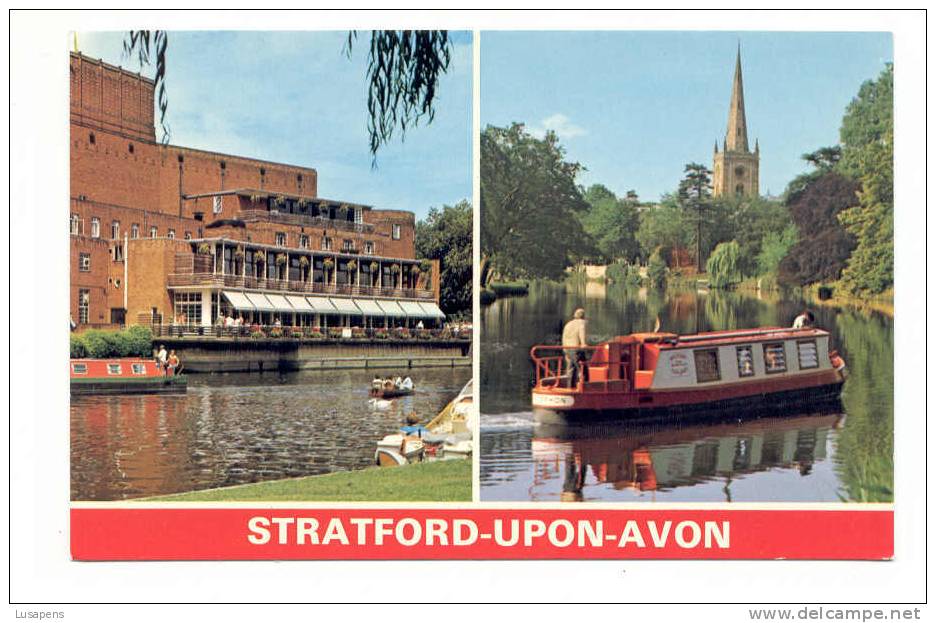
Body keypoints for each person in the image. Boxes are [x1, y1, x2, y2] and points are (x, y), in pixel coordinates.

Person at [562, 308, 588, 387]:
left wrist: (565, 350)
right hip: (576, 349)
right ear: (583, 316)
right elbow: (581, 331)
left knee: (571, 369)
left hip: (568, 348)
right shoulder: (581, 322)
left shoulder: (568, 324)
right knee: (583, 369)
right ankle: (585, 388)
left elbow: (564, 337)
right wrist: (583, 343)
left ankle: (570, 387)